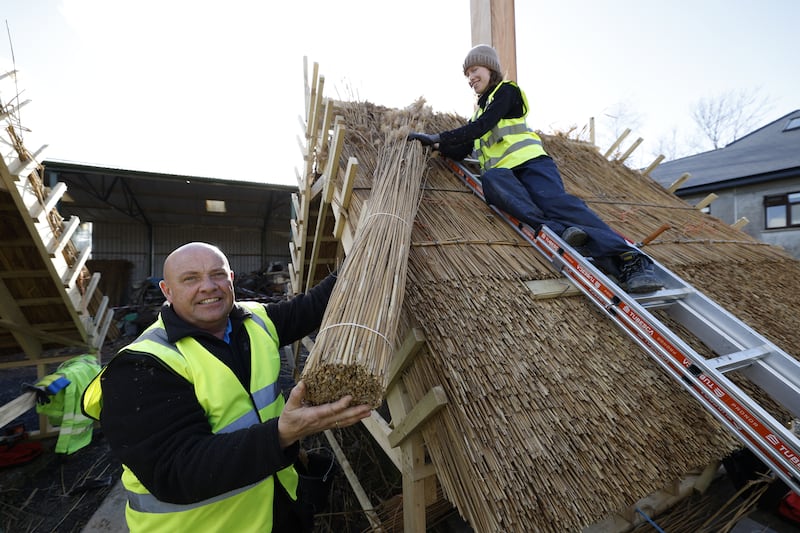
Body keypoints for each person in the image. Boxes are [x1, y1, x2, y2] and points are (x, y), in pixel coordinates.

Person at [82, 242, 372, 532]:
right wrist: (282, 435)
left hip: (278, 510)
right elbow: (175, 471)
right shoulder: (141, 365)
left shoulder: (254, 321)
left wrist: (363, 256)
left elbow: (310, 308)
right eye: (191, 278)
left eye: (218, 274)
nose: (208, 287)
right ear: (167, 291)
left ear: (231, 279)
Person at [408, 44, 663, 293]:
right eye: (467, 75)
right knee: (492, 181)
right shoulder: (475, 117)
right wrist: (433, 146)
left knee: (555, 203)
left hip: (532, 163)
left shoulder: (507, 92)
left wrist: (439, 135)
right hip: (506, 175)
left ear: (490, 68)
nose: (470, 78)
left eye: (475, 70)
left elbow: (483, 126)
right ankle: (560, 230)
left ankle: (632, 259)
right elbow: (462, 149)